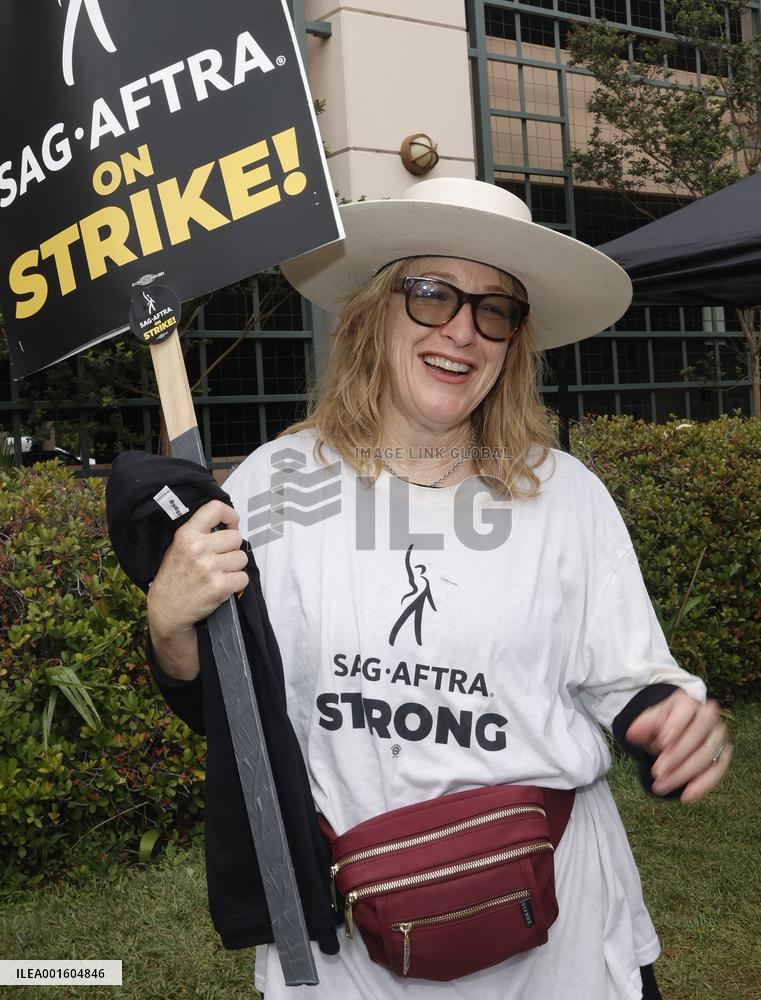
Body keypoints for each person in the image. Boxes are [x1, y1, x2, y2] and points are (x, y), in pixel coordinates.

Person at [145, 178, 732, 999]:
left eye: (495, 310)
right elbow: (229, 706)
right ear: (375, 311)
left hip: (556, 936)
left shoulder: (563, 495)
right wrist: (169, 626)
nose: (461, 329)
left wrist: (663, 722)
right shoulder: (272, 486)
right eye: (431, 294)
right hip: (353, 953)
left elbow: (628, 677)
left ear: (512, 342)